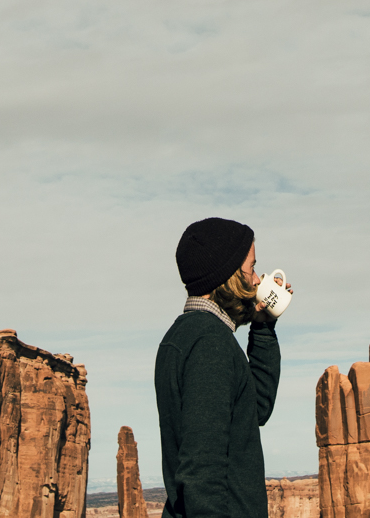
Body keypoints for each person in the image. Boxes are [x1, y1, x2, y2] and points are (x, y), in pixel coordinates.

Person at [154, 217, 285, 518]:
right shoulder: (209, 344)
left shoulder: (186, 336)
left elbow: (256, 410)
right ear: (227, 274)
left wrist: (263, 326)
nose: (256, 280)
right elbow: (202, 472)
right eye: (252, 268)